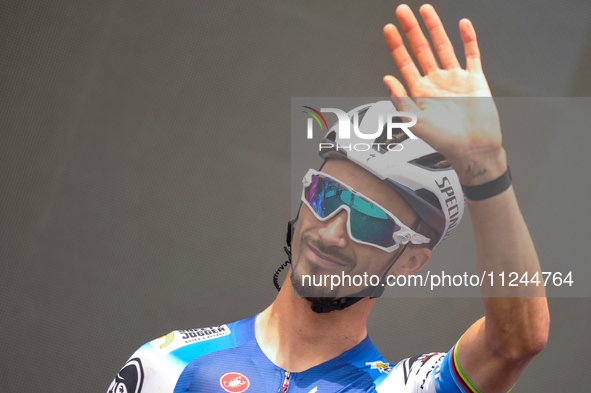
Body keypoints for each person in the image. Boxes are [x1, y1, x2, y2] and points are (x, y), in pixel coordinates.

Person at [107, 4, 549, 393]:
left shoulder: (400, 389)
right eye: (327, 196)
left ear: (411, 261)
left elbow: (514, 343)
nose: (333, 231)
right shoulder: (168, 365)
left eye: (370, 221)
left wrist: (486, 167)